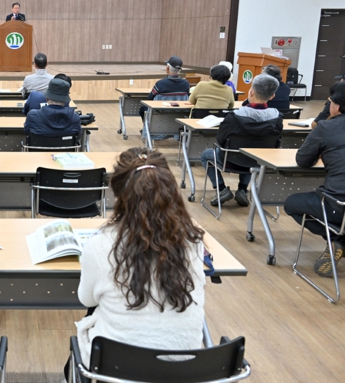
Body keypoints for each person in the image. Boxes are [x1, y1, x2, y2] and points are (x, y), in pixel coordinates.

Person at [68, 148, 205, 375]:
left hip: (115, 368)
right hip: (183, 370)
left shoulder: (100, 245)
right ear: (170, 190)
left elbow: (86, 299)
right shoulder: (192, 241)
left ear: (118, 194)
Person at [284, 79, 345, 277]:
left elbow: (303, 160)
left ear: (338, 105)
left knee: (291, 204)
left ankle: (339, 240)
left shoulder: (326, 128)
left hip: (340, 209)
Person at [200, 74, 282, 207]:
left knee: (206, 155)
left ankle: (221, 189)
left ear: (251, 92)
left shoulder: (234, 116)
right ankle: (242, 189)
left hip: (230, 161)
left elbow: (220, 140)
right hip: (260, 162)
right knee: (253, 152)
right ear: (272, 96)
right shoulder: (277, 117)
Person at [139, 56, 189, 140]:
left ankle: (149, 129)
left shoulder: (160, 84)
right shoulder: (186, 84)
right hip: (178, 118)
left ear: (167, 68)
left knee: (142, 109)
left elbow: (149, 98)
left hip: (161, 115)